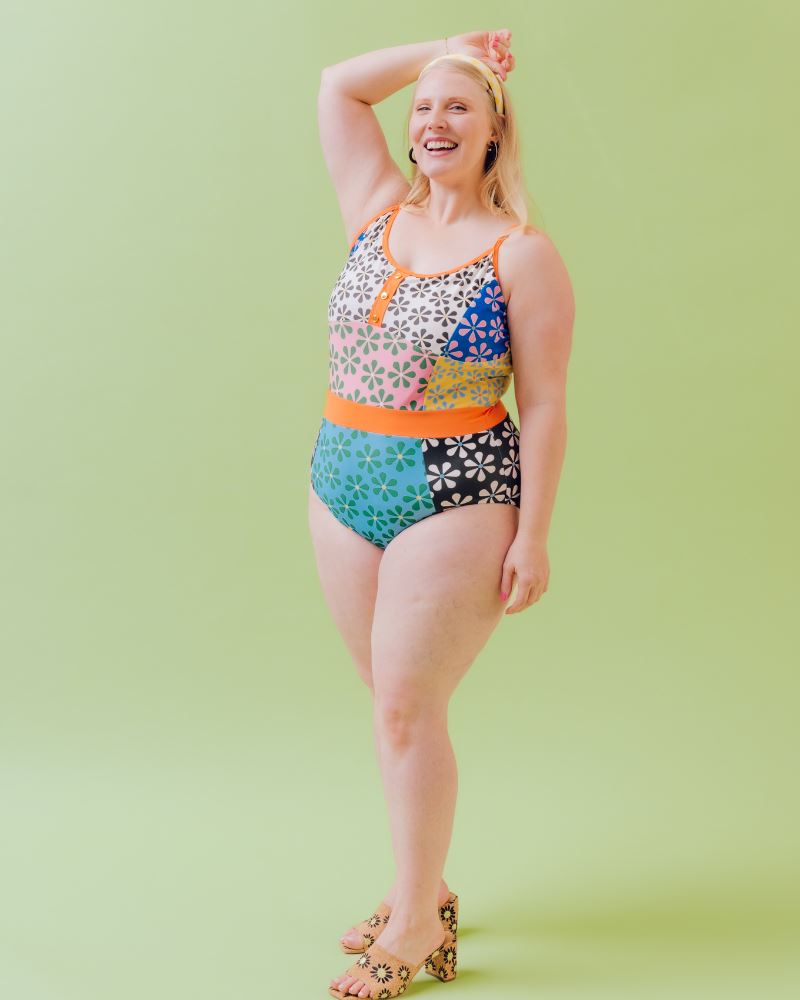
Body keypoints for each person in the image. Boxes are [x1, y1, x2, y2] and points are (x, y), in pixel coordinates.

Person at [309, 29, 575, 999]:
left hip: (456, 486)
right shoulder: (376, 207)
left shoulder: (520, 253)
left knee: (405, 707)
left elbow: (544, 401)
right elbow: (340, 86)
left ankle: (416, 923)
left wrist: (533, 534)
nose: (432, 121)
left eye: (458, 106)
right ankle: (423, 889)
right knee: (389, 703)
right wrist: (448, 49)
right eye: (423, 107)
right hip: (343, 476)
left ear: (495, 130)